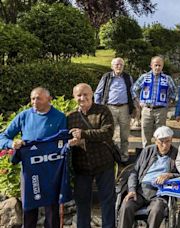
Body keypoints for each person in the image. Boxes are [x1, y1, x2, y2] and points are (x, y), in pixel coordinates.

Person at [0, 87, 66, 228]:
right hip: (30, 171)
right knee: (29, 209)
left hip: (51, 171)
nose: (34, 101)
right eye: (32, 98)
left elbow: (63, 142)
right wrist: (12, 143)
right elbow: (2, 137)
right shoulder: (24, 116)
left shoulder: (59, 117)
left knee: (52, 210)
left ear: (49, 100)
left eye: (39, 98)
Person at [67, 83, 115, 228]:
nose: (82, 98)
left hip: (103, 163)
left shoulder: (103, 111)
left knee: (107, 201)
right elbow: (64, 139)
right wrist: (71, 142)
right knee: (82, 203)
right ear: (74, 97)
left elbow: (107, 133)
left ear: (92, 94)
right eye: (79, 95)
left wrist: (84, 134)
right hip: (81, 166)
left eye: (85, 94)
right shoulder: (70, 117)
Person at [118, 126, 179, 228]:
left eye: (168, 141)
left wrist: (170, 175)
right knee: (126, 206)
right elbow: (134, 172)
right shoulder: (147, 151)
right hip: (141, 190)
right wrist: (132, 190)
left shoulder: (176, 154)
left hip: (160, 193)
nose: (165, 145)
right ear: (156, 141)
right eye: (161, 142)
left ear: (171, 140)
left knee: (156, 210)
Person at [94, 57, 136, 164]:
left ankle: (124, 157)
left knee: (124, 135)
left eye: (121, 65)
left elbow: (133, 93)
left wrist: (136, 106)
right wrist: (98, 108)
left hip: (125, 108)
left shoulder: (128, 77)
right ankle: (109, 156)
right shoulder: (106, 77)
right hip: (109, 108)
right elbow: (98, 93)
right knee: (108, 134)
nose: (119, 66)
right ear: (112, 66)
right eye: (116, 64)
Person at [133, 56, 177, 148]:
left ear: (162, 66)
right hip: (147, 109)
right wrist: (139, 101)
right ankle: (147, 155)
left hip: (161, 110)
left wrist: (170, 102)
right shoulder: (144, 77)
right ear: (151, 65)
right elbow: (134, 89)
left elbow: (174, 91)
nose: (157, 67)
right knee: (145, 134)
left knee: (161, 134)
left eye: (159, 65)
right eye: (155, 65)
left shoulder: (167, 78)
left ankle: (159, 154)